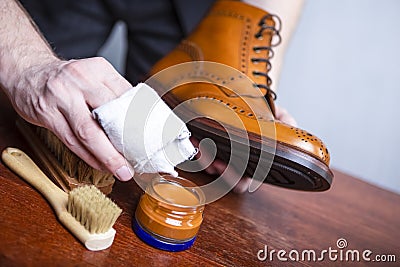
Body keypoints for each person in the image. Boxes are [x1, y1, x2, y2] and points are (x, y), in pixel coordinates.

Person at [0, 0, 301, 192]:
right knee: (39, 111)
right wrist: (26, 63)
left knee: (161, 142)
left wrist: (250, 81)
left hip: (201, 11)